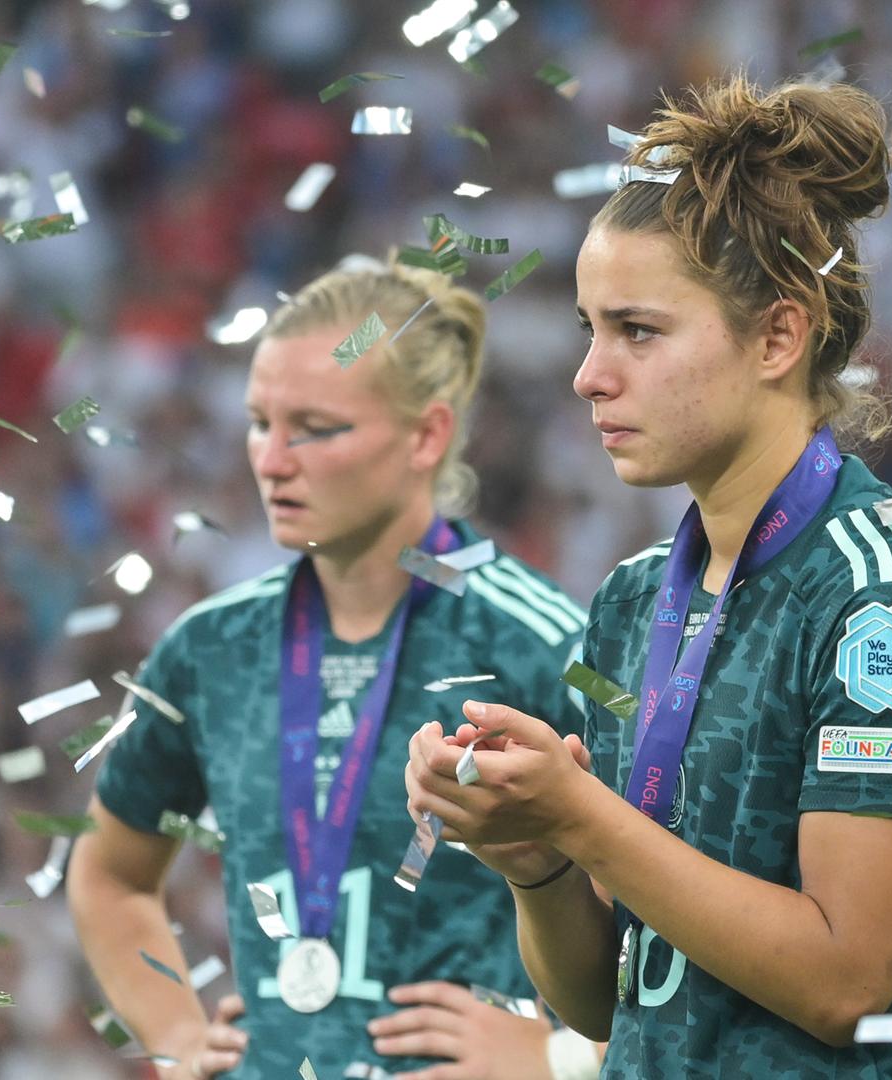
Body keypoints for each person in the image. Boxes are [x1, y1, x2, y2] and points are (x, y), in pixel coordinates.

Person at [401, 75, 892, 1078]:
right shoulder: (634, 600)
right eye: (591, 327)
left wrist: (580, 814)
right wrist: (537, 857)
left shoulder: (886, 599)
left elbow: (846, 983)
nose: (592, 373)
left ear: (778, 335)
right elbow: (603, 999)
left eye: (638, 330)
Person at [68, 257, 594, 1080]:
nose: (272, 460)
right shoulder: (210, 648)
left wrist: (568, 1057)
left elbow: (672, 897)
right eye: (258, 422)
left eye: (314, 428)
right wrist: (175, 1036)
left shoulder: (544, 642)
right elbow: (108, 873)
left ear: (427, 435)